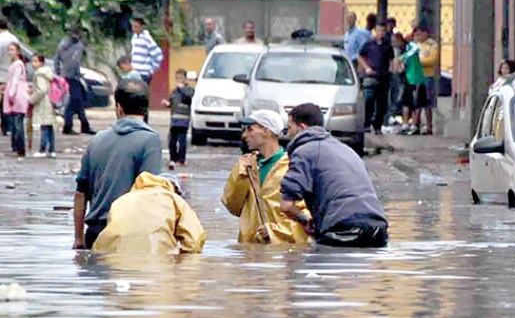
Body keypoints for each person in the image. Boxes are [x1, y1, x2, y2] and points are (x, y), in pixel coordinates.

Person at [281, 103, 388, 248]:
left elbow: (287, 206)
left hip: (343, 229)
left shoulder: (303, 152)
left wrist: (304, 221)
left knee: (312, 267)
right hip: (378, 229)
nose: (288, 134)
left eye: (290, 128)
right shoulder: (347, 150)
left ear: (301, 128)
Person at [73, 79, 162, 250]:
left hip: (95, 233)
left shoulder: (96, 140)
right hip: (128, 235)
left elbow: (80, 193)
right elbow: (151, 195)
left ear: (119, 107)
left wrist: (78, 238)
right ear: (146, 108)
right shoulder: (150, 140)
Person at [222, 110, 310, 245]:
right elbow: (233, 207)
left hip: (284, 255)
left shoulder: (292, 167)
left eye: (250, 129)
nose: (244, 135)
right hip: (249, 251)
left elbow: (306, 217)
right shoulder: (247, 166)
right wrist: (240, 178)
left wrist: (276, 232)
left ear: (266, 131)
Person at [92, 172, 206, 254]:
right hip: (158, 259)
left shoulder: (121, 201)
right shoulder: (174, 199)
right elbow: (194, 242)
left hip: (116, 259)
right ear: (175, 189)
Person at [55, 26, 94, 135]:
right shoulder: (78, 46)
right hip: (73, 77)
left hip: (66, 75)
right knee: (74, 101)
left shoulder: (63, 43)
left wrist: (59, 72)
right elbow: (75, 62)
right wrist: (77, 75)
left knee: (78, 101)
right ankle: (69, 126)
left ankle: (83, 125)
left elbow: (56, 59)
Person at [358, 21, 394, 135]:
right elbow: (360, 56)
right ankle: (367, 124)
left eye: (383, 31)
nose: (381, 33)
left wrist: (391, 69)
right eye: (379, 30)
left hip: (383, 76)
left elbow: (391, 59)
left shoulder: (387, 45)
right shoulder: (369, 44)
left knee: (382, 103)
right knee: (369, 100)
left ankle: (377, 125)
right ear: (375, 31)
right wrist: (366, 67)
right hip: (371, 76)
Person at [395, 33, 427, 135]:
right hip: (411, 79)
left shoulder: (408, 51)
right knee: (409, 103)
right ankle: (409, 124)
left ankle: (413, 125)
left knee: (415, 103)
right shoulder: (409, 50)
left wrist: (398, 65)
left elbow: (401, 67)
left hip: (414, 79)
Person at [161, 68, 194, 170]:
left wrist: (181, 88)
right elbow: (172, 103)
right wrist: (167, 104)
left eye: (181, 78)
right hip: (174, 119)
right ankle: (173, 159)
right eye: (177, 78)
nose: (179, 80)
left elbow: (187, 98)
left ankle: (181, 160)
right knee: (172, 141)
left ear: (185, 78)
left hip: (183, 120)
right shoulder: (174, 91)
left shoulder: (189, 90)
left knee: (182, 141)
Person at [29, 54, 57, 158]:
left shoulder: (39, 74)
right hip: (49, 101)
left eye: (35, 61)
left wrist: (31, 100)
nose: (33, 64)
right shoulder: (48, 72)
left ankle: (42, 149)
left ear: (41, 62)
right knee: (49, 126)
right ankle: (52, 149)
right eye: (32, 61)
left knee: (44, 126)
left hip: (43, 102)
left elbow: (41, 90)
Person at [3, 43, 28, 157]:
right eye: (9, 50)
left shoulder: (18, 64)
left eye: (12, 50)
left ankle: (20, 148)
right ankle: (16, 147)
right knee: (15, 123)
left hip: (17, 95)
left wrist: (11, 94)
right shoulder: (14, 64)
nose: (10, 52)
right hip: (13, 94)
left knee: (18, 124)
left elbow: (15, 80)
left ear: (18, 51)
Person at [414, 27, 439, 135]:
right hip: (415, 77)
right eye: (416, 34)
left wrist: (418, 61)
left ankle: (429, 127)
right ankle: (416, 125)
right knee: (416, 103)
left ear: (425, 33)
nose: (418, 37)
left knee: (428, 102)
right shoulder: (414, 45)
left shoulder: (432, 45)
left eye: (420, 34)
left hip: (427, 76)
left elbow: (431, 60)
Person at [130, 18, 163, 87]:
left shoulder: (147, 38)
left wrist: (152, 69)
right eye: (133, 26)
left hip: (144, 73)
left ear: (142, 27)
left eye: (136, 26)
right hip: (134, 72)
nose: (134, 29)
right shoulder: (134, 38)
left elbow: (158, 55)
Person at [0, 17, 19, 136]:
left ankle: (5, 126)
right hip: (11, 73)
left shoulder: (0, 39)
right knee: (8, 102)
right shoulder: (14, 38)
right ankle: (9, 127)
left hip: (1, 73)